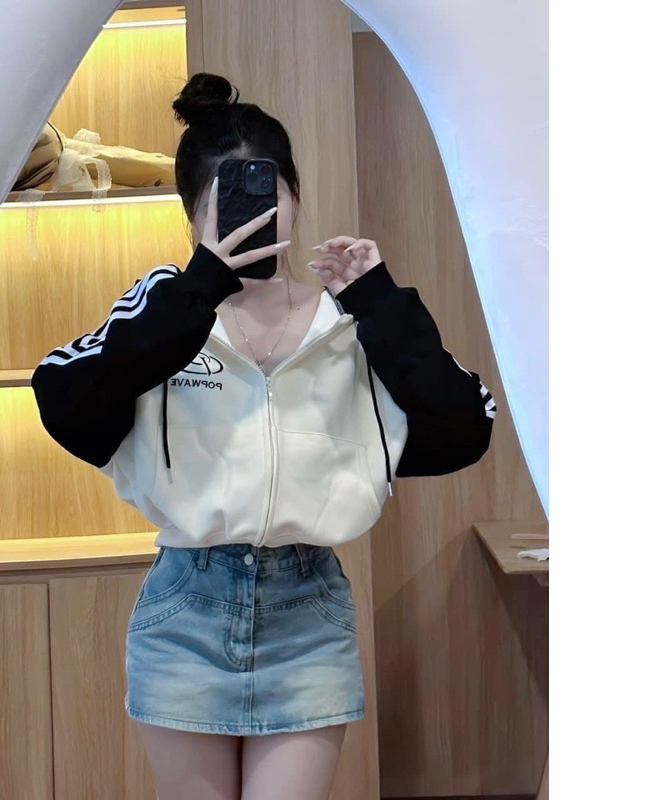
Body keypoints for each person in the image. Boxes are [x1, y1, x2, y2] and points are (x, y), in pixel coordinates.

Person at [31, 72, 496, 800]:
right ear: (193, 214)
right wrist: (199, 287)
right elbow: (64, 398)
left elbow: (465, 427)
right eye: (229, 201)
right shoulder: (163, 307)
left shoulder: (352, 317)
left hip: (308, 613)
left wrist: (380, 303)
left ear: (296, 197)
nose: (256, 214)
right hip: (185, 611)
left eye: (270, 193)